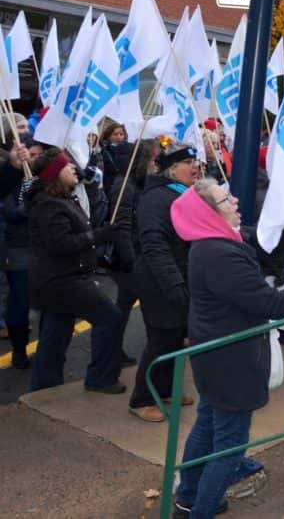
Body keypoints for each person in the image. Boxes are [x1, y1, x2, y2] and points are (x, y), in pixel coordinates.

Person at [169, 179, 284, 518]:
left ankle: (187, 499)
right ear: (209, 213)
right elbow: (270, 304)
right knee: (229, 449)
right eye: (225, 198)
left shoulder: (215, 242)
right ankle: (198, 511)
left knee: (206, 428)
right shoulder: (219, 253)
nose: (235, 200)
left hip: (216, 358)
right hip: (230, 362)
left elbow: (269, 241)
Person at [27, 148, 123, 392]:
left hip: (60, 278)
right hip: (62, 281)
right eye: (66, 165)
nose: (73, 168)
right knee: (110, 317)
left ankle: (44, 388)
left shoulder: (62, 199)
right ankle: (101, 378)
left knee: (54, 338)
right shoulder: (49, 205)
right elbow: (61, 244)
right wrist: (100, 235)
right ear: (55, 174)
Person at [129, 143, 200, 422]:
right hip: (160, 284)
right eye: (188, 163)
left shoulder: (182, 194)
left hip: (179, 279)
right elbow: (156, 248)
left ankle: (166, 389)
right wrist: (175, 288)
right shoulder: (157, 198)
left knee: (174, 339)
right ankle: (141, 399)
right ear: (172, 170)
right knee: (161, 340)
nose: (195, 167)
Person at [106, 139, 159, 366]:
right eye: (153, 160)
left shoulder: (135, 183)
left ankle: (111, 350)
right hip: (129, 260)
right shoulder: (125, 187)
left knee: (124, 307)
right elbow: (122, 227)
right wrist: (131, 261)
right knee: (149, 306)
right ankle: (111, 352)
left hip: (133, 257)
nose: (155, 165)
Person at [3, 137, 40, 369]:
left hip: (44, 248)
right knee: (19, 300)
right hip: (18, 248)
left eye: (37, 155)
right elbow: (10, 212)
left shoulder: (47, 179)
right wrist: (31, 206)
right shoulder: (15, 180)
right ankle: (19, 351)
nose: (33, 159)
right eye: (31, 154)